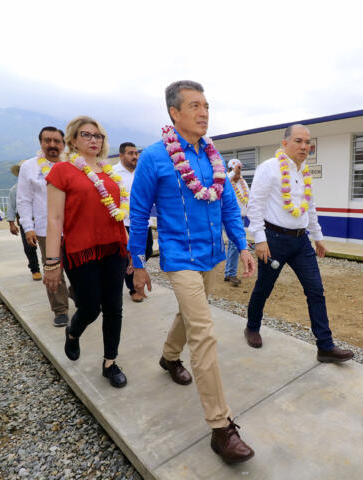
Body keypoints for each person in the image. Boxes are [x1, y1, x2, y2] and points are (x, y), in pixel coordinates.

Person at [129, 80, 256, 464]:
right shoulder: (154, 158)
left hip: (214, 255)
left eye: (206, 106)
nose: (204, 113)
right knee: (204, 333)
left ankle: (169, 357)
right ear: (174, 113)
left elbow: (229, 206)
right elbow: (137, 215)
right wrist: (137, 264)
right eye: (195, 106)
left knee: (191, 314)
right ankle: (221, 428)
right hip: (179, 257)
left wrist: (243, 244)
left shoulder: (214, 158)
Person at [245, 124, 354, 363]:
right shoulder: (269, 168)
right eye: (298, 141)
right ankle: (252, 326)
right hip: (273, 241)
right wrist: (260, 240)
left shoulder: (305, 171)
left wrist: (318, 237)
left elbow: (310, 207)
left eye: (307, 142)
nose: (304, 146)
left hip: (301, 242)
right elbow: (255, 205)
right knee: (264, 288)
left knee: (316, 291)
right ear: (285, 143)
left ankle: (325, 346)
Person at [43, 116, 129, 389]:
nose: (94, 140)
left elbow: (120, 215)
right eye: (87, 135)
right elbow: (55, 219)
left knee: (114, 307)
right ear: (73, 140)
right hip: (81, 251)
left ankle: (110, 362)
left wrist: (129, 251)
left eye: (98, 135)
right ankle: (73, 332)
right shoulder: (62, 171)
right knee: (90, 308)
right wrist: (51, 261)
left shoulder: (110, 173)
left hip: (114, 248)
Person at [17, 127, 71, 327]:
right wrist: (28, 227)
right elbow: (23, 199)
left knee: (77, 267)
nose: (52, 145)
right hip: (45, 228)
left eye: (57, 141)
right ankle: (60, 309)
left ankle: (77, 295)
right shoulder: (30, 167)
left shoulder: (72, 164)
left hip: (73, 227)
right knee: (53, 267)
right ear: (41, 143)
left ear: (63, 144)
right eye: (47, 140)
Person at [112, 142, 153, 302]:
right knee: (125, 257)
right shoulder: (113, 173)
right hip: (123, 223)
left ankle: (131, 271)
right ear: (121, 155)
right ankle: (133, 287)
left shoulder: (142, 171)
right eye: (130, 153)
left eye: (136, 153)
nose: (135, 156)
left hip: (143, 222)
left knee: (147, 251)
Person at [7, 162, 41, 281]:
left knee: (47, 245)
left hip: (41, 219)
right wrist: (11, 224)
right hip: (25, 221)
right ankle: (35, 269)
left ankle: (51, 267)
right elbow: (11, 206)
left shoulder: (38, 185)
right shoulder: (14, 190)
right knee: (29, 246)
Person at [223, 158, 249, 286]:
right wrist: (233, 171)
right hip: (229, 217)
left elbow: (249, 199)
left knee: (233, 245)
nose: (239, 173)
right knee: (233, 245)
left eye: (240, 170)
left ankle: (229, 273)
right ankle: (230, 273)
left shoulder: (243, 183)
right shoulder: (227, 181)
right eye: (237, 170)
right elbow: (225, 180)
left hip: (240, 218)